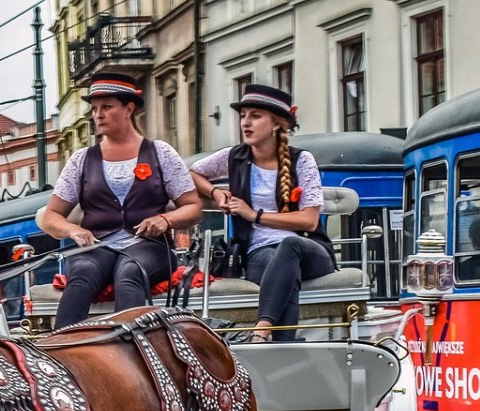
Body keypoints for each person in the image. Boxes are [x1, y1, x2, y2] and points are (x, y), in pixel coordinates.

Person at [41, 72, 202, 328]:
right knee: (81, 272)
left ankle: (131, 348)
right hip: (98, 246)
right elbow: (51, 217)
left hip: (150, 247)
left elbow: (193, 208)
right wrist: (73, 230)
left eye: (106, 107)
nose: (98, 114)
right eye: (94, 108)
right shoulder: (82, 160)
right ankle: (60, 349)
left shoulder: (160, 153)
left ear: (128, 109)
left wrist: (165, 219)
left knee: (129, 271)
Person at [190, 84, 335, 342]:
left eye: (255, 116)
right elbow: (189, 173)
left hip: (309, 249)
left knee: (290, 246)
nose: (246, 122)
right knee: (286, 273)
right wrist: (214, 193)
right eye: (243, 115)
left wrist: (253, 214)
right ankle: (283, 347)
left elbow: (310, 221)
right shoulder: (234, 156)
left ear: (277, 124)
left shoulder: (302, 160)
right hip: (258, 254)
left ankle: (262, 329)